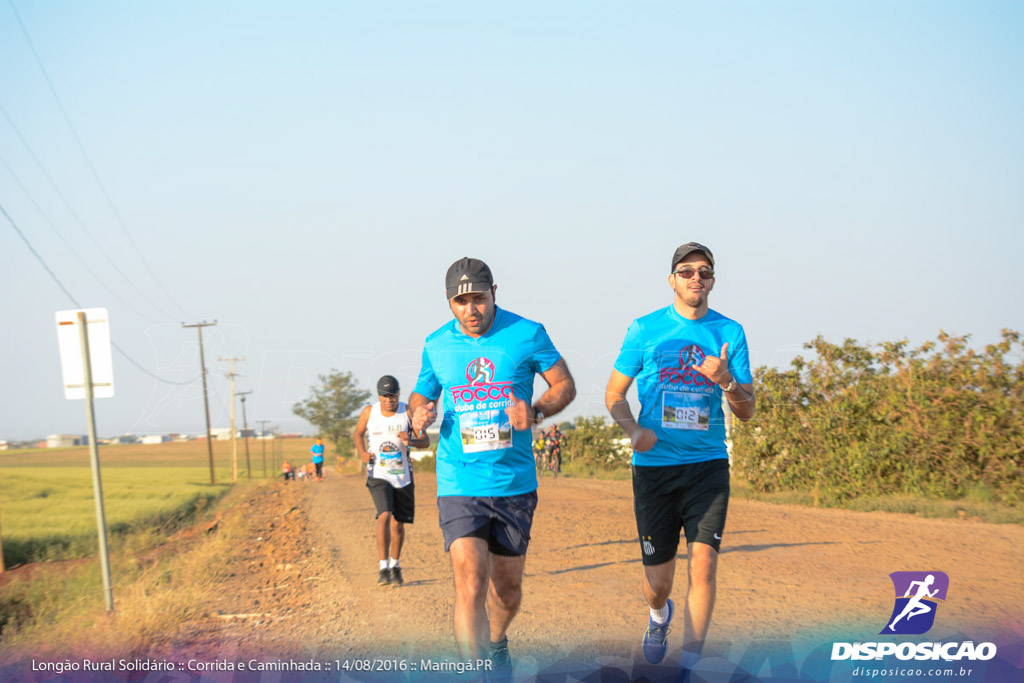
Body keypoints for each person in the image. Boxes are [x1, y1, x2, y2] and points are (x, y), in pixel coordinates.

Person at [408, 257, 576, 669]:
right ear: (449, 302)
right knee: (469, 582)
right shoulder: (436, 343)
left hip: (513, 483)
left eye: (478, 299)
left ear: (494, 294)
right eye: (460, 301)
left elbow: (564, 385)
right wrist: (419, 413)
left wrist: (536, 412)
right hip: (458, 480)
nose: (471, 310)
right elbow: (421, 394)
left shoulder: (527, 334)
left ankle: (497, 641)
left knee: (507, 591)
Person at [605, 242, 755, 671]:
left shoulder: (730, 333)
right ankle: (658, 616)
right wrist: (633, 430)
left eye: (704, 272)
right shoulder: (644, 330)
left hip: (707, 467)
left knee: (703, 566)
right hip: (655, 469)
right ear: (672, 280)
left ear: (713, 281)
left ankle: (690, 663)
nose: (696, 278)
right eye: (686, 271)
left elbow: (747, 411)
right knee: (659, 583)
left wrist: (726, 380)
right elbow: (614, 394)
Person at [353, 375, 429, 587]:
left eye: (393, 395)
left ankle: (395, 565)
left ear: (398, 394)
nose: (389, 400)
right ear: (379, 396)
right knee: (384, 515)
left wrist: (410, 440)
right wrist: (362, 453)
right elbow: (357, 434)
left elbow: (426, 442)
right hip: (378, 474)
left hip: (403, 476)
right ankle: (382, 567)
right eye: (385, 396)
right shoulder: (369, 412)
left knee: (398, 524)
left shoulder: (407, 412)